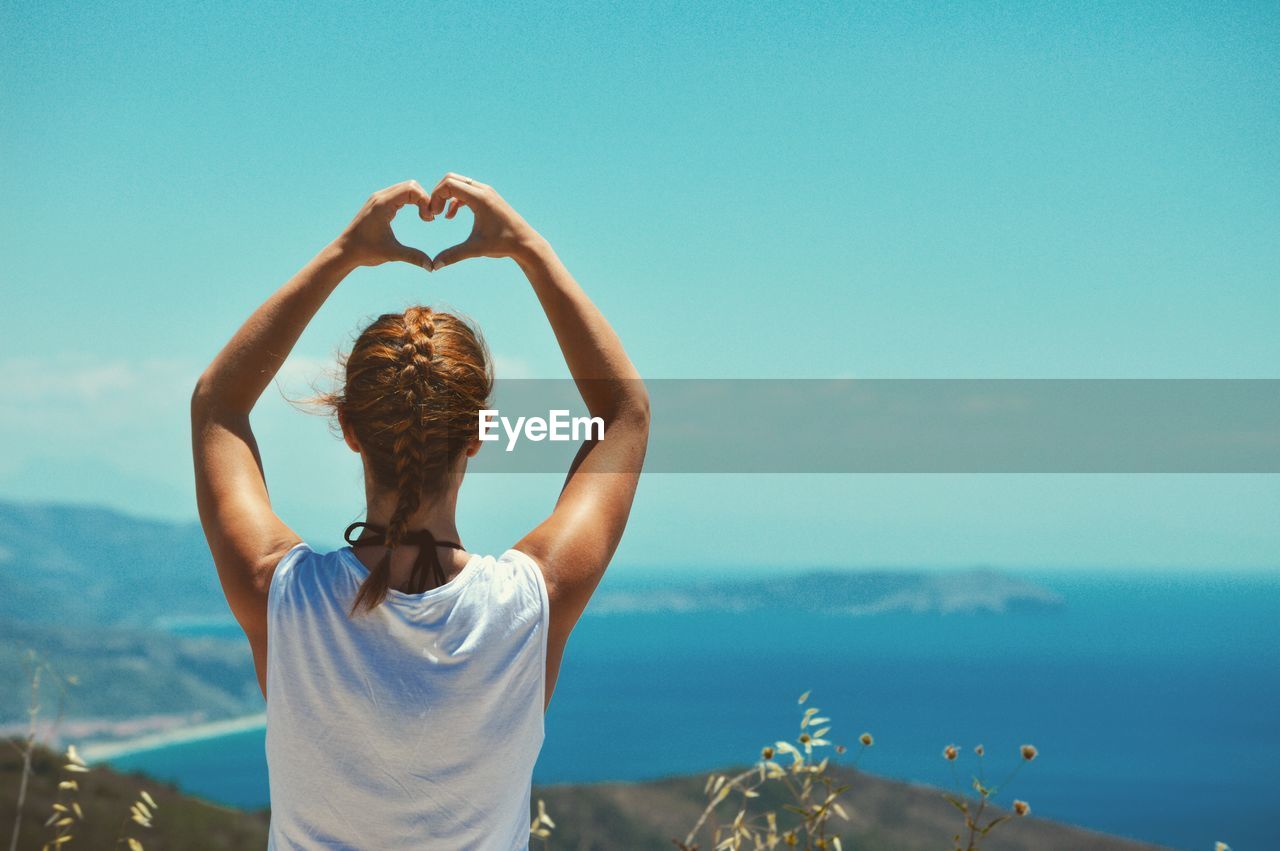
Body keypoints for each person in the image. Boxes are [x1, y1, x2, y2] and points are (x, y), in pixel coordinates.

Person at [190, 174, 650, 849]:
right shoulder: (532, 601)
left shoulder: (280, 594)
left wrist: (343, 253)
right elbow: (625, 414)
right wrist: (528, 248)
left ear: (348, 426)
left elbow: (217, 405)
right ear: (478, 433)